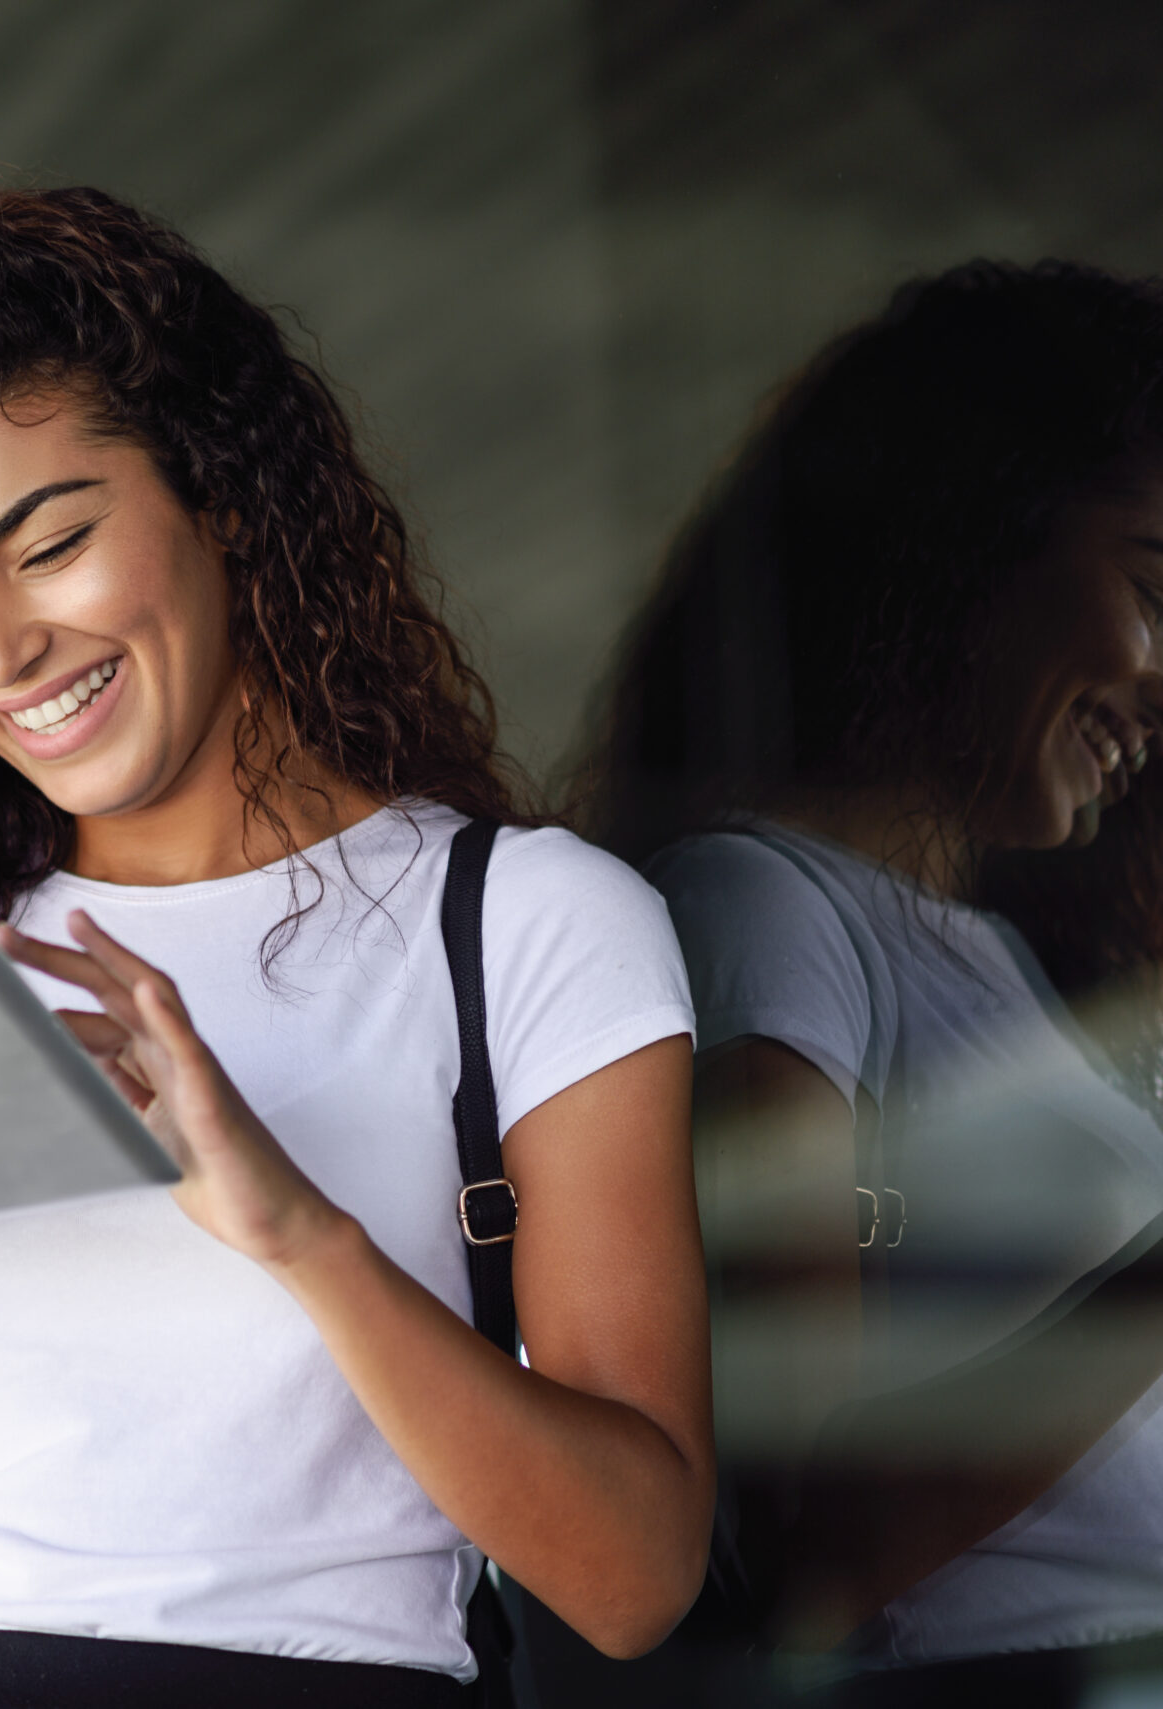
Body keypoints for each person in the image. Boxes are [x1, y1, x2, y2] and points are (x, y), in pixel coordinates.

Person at [0, 187, 713, 1707]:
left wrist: (293, 1224)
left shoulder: (525, 923)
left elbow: (634, 1579)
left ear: (223, 496)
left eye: (51, 545)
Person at [581, 259, 1163, 1704]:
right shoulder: (754, 905)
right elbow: (806, 1528)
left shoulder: (1000, 958)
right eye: (1154, 587)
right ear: (968, 537)